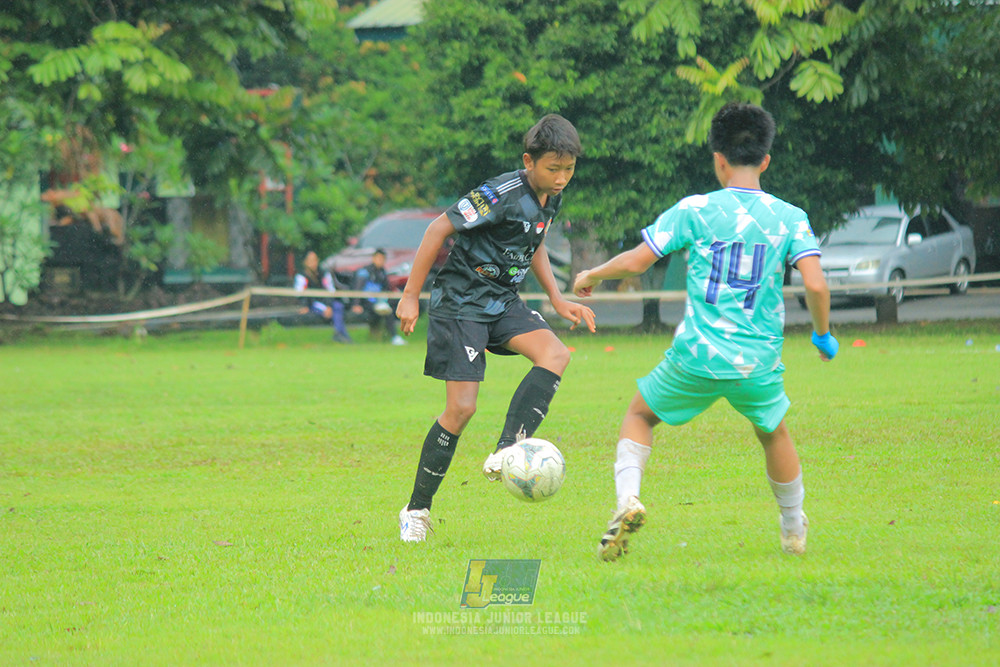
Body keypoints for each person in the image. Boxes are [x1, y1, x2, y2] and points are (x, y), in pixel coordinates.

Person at [572, 102, 839, 561]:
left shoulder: (694, 209)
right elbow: (815, 282)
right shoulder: (790, 216)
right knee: (773, 432)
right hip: (757, 361)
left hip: (697, 355)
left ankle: (627, 500)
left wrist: (592, 275)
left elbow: (638, 260)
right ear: (766, 159)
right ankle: (793, 529)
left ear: (718, 158)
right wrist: (821, 333)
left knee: (639, 416)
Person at [395, 113, 597, 542]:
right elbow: (437, 229)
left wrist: (558, 298)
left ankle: (509, 447)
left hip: (502, 301)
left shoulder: (550, 197)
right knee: (462, 409)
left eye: (569, 169)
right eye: (553, 169)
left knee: (556, 353)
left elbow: (534, 243)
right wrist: (411, 295)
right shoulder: (498, 193)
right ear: (529, 161)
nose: (562, 178)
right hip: (461, 303)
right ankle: (416, 510)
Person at [294, 250, 353, 343]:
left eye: (314, 260)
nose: (313, 263)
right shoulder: (301, 277)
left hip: (326, 302)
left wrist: (329, 305)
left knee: (338, 306)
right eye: (310, 260)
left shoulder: (324, 274)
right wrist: (304, 305)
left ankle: (340, 333)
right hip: (312, 303)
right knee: (327, 309)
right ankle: (341, 334)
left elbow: (330, 290)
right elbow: (300, 294)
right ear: (305, 262)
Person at [351, 249, 406, 346]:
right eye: (378, 258)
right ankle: (394, 336)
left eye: (382, 259)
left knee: (392, 306)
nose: (380, 261)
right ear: (374, 258)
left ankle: (394, 335)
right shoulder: (364, 272)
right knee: (386, 311)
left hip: (379, 301)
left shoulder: (383, 272)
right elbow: (357, 289)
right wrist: (356, 304)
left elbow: (386, 289)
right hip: (367, 302)